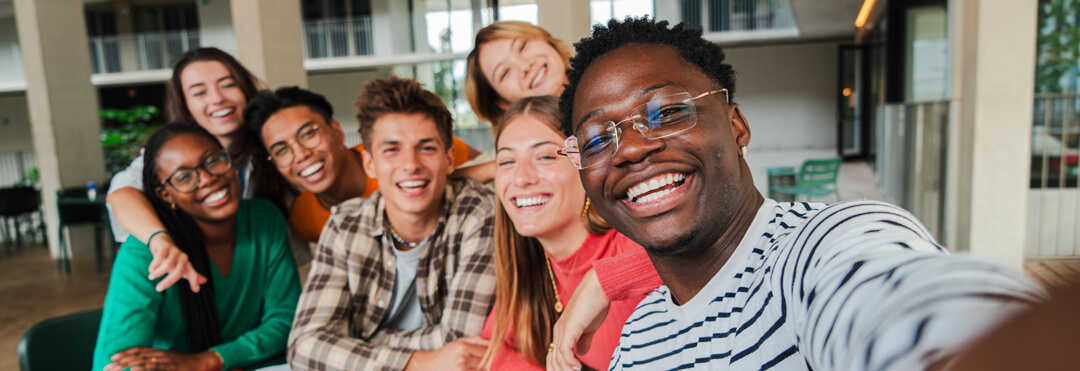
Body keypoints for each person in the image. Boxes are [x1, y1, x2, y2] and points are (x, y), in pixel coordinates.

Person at [545, 18, 1045, 371]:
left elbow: (914, 312)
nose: (631, 148)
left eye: (669, 112)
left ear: (736, 125)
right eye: (596, 139)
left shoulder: (823, 247)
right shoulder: (637, 341)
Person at [287, 76, 497, 371]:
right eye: (391, 149)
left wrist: (353, 344)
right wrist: (415, 363)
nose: (410, 164)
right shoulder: (345, 225)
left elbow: (461, 341)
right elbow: (305, 346)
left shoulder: (479, 214)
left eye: (426, 148)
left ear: (449, 159)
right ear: (369, 164)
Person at [93, 122, 300, 371]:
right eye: (183, 177)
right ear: (165, 195)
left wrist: (210, 360)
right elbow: (116, 363)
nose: (208, 179)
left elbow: (286, 319)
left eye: (213, 160)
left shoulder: (264, 219)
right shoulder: (143, 252)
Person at [479, 96, 662, 370]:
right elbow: (489, 351)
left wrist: (602, 282)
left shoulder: (632, 240)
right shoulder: (530, 265)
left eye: (544, 157)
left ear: (586, 166)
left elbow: (703, 255)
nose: (521, 177)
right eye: (506, 161)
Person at [106, 47, 299, 293]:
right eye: (199, 92)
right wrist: (160, 240)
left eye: (228, 85)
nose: (217, 99)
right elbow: (122, 193)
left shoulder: (273, 150)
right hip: (191, 289)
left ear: (246, 91)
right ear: (186, 107)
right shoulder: (167, 157)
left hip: (254, 291)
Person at [244, 86, 475, 243]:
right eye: (281, 150)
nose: (301, 154)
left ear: (337, 131)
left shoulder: (415, 153)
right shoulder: (305, 219)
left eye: (308, 134)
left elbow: (497, 168)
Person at [457, 21, 574, 183]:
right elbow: (445, 181)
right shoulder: (512, 149)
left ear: (547, 41)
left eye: (522, 47)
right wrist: (502, 165)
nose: (525, 66)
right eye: (504, 73)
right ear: (501, 102)